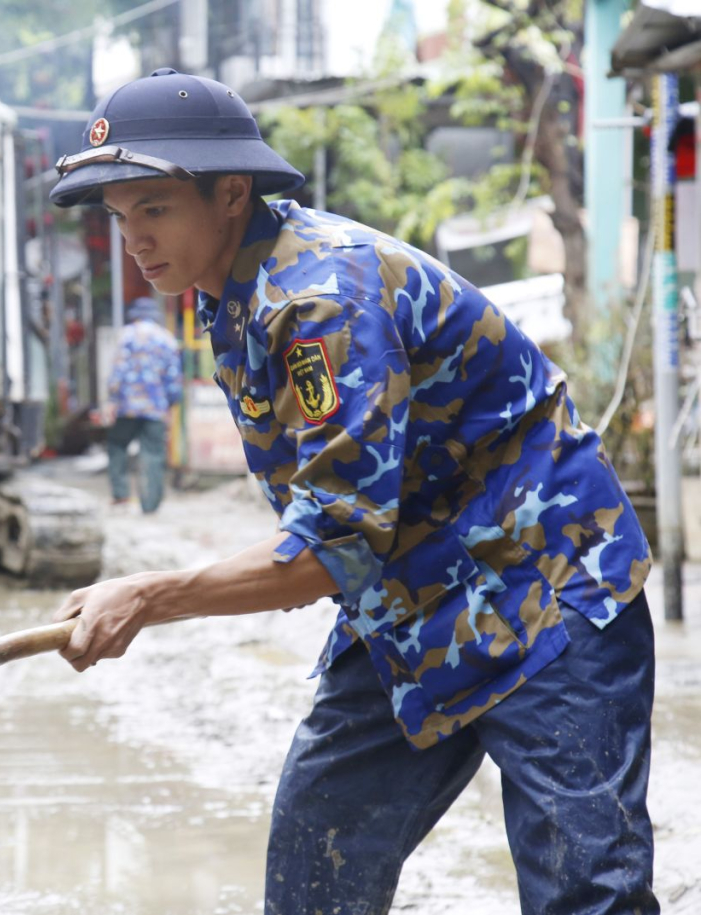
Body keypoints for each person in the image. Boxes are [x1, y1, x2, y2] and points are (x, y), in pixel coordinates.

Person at [48, 68, 658, 915]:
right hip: (410, 596)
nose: (134, 239)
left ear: (232, 193)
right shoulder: (229, 297)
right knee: (316, 865)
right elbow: (336, 524)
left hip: (547, 583)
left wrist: (151, 595)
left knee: (585, 892)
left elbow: (334, 544)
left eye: (154, 208)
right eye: (121, 217)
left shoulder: (321, 297)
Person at [104, 296, 182, 513]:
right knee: (153, 454)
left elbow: (118, 371)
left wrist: (111, 399)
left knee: (117, 445)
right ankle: (150, 504)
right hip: (156, 408)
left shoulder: (126, 335)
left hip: (127, 407)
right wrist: (170, 404)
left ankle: (121, 495)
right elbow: (173, 377)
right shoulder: (166, 339)